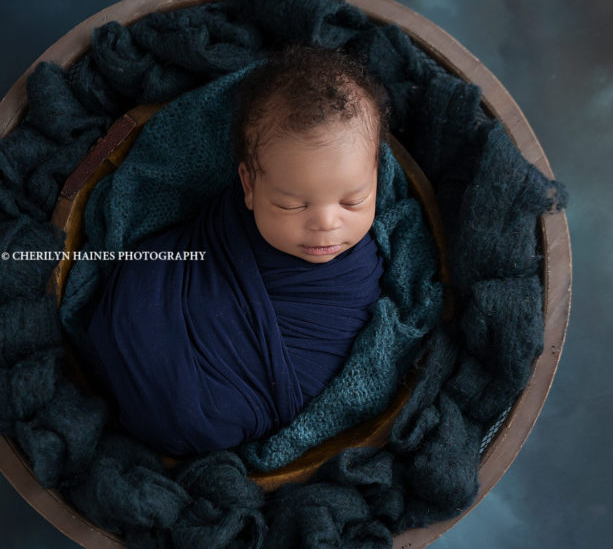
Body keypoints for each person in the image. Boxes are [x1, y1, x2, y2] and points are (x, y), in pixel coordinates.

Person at [85, 45, 389, 457]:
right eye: (291, 204)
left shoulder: (360, 275)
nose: (326, 223)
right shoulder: (225, 221)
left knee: (203, 416)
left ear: (377, 176)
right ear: (248, 186)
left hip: (219, 406)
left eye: (353, 201)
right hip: (163, 306)